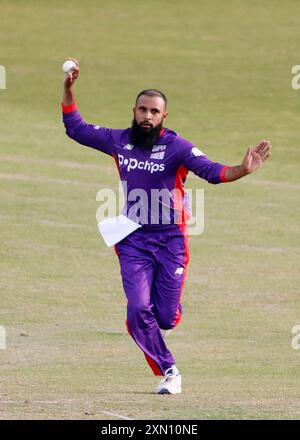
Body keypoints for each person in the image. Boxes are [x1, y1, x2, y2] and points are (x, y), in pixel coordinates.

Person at [61, 58, 271, 394]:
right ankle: (169, 370)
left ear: (163, 117)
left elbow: (213, 172)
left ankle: (169, 312)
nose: (147, 116)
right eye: (142, 110)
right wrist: (69, 89)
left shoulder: (177, 146)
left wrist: (242, 169)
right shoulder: (118, 140)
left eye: (154, 112)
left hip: (171, 238)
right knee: (136, 310)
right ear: (134, 110)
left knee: (164, 318)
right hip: (132, 237)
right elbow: (76, 128)